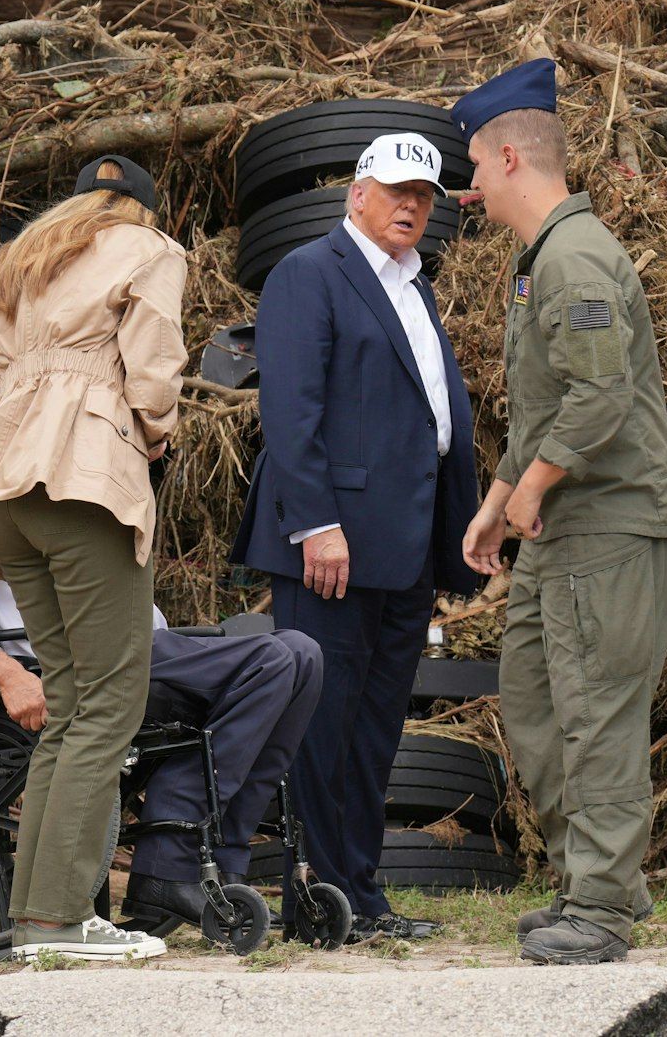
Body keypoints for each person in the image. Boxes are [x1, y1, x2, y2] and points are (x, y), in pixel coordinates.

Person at [0, 155, 187, 961]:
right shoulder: (151, 250)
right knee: (109, 704)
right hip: (82, 481)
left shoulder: (11, 266)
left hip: (6, 495)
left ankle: (40, 920)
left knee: (71, 708)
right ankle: (61, 923)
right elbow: (153, 372)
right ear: (136, 210)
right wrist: (147, 440)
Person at [455, 59, 667, 965]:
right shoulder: (542, 259)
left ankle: (600, 908)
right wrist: (495, 503)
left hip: (609, 525)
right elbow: (546, 407)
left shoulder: (578, 257)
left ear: (510, 157)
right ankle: (598, 879)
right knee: (536, 705)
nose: (468, 188)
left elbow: (599, 403)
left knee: (596, 716)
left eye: (473, 166)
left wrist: (532, 493)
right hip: (559, 526)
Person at [231, 133, 479, 944]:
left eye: (426, 194)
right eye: (398, 189)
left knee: (375, 728)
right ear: (358, 193)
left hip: (404, 542)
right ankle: (318, 896)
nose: (412, 205)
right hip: (332, 543)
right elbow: (291, 414)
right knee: (323, 721)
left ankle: (359, 895)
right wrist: (317, 523)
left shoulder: (416, 286)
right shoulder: (310, 273)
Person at [0, 500, 323, 929]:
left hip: (138, 646)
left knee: (303, 654)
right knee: (271, 660)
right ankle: (169, 861)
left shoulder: (105, 464)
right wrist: (9, 676)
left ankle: (223, 862)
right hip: (71, 660)